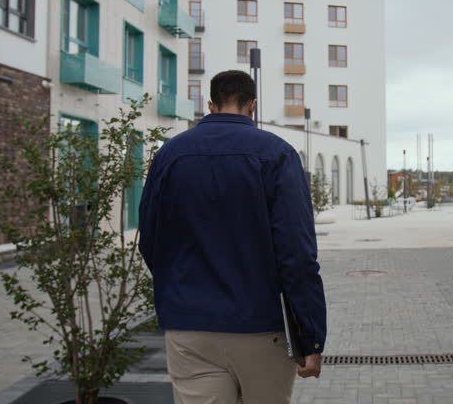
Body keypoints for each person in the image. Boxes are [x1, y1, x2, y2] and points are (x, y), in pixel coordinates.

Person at [138, 70, 326, 404]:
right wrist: (310, 337)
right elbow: (297, 253)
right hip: (261, 326)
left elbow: (150, 240)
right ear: (252, 105)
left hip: (189, 325)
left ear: (210, 104)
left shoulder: (169, 155)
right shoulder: (277, 154)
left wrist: (180, 291)